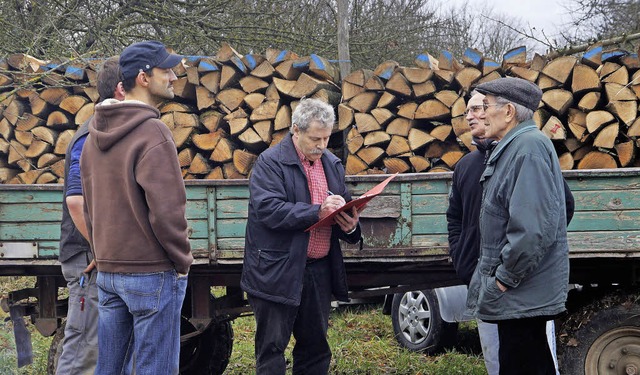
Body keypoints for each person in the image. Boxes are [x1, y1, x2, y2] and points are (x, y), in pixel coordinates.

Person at [80, 40, 193, 375]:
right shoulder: (153, 132)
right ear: (143, 77)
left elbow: (90, 205)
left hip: (110, 272)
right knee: (154, 369)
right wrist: (182, 260)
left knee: (110, 368)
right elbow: (168, 211)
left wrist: (100, 252)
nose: (173, 76)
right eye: (166, 70)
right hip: (152, 272)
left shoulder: (92, 135)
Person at [448, 91, 574, 375]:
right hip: (515, 294)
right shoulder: (512, 148)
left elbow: (532, 231)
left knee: (526, 363)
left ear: (508, 112)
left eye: (486, 107)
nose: (479, 114)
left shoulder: (527, 149)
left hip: (520, 292)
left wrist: (504, 279)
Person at [240, 98, 362, 374]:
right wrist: (316, 212)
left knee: (316, 348)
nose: (321, 145)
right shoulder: (270, 162)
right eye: (315, 138)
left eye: (326, 138)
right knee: (272, 350)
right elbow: (269, 210)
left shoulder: (331, 163)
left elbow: (346, 202)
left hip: (318, 271)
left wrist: (350, 226)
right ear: (296, 130)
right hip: (276, 270)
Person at [56, 57, 125, 375]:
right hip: (89, 258)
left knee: (106, 348)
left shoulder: (109, 131)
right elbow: (75, 201)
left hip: (100, 255)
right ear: (121, 90)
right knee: (85, 350)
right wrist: (101, 248)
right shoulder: (91, 135)